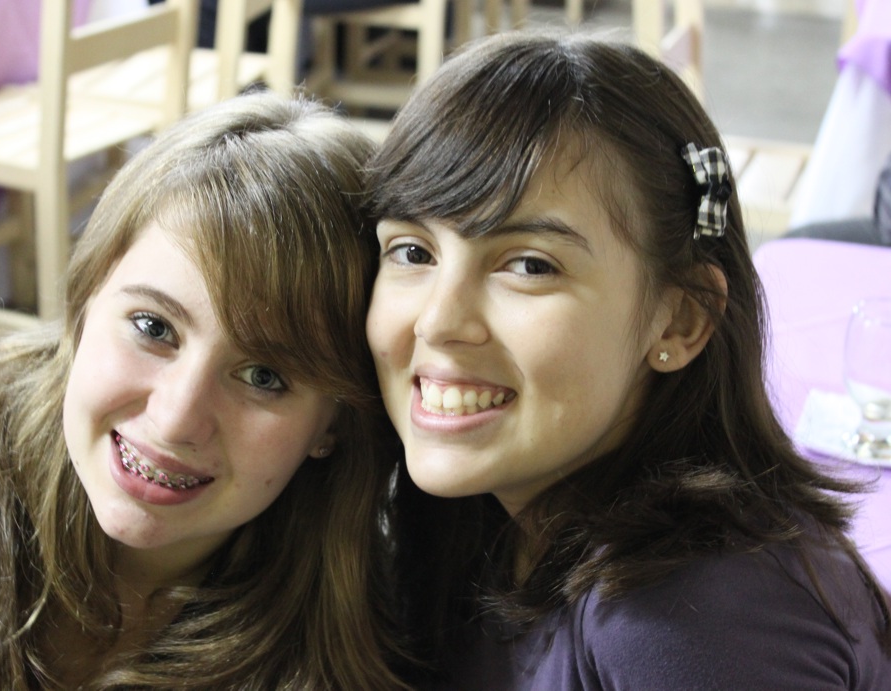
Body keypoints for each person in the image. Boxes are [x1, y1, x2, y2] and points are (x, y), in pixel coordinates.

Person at [366, 31, 891, 688]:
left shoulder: (693, 623)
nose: (439, 320)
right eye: (413, 251)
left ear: (681, 317)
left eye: (530, 265)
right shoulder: (476, 515)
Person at [0, 91, 410, 690]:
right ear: (85, 301)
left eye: (264, 377)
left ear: (332, 424)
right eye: (154, 328)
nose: (177, 418)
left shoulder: (367, 644)